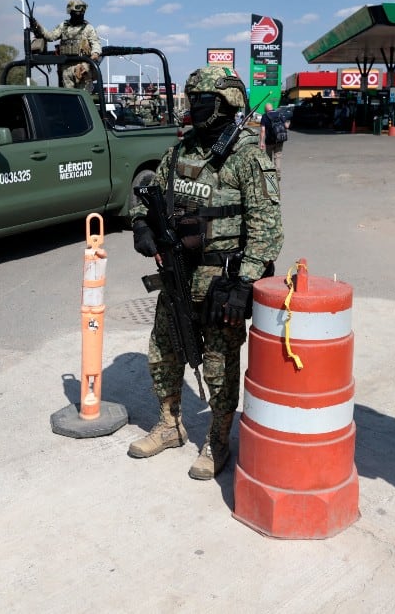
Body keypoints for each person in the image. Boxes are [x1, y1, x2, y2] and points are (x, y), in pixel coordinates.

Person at [128, 66, 283, 480]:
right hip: (179, 277)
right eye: (191, 99)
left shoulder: (247, 155)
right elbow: (147, 197)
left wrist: (244, 283)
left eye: (203, 100)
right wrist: (142, 225)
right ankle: (169, 424)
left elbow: (268, 229)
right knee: (163, 352)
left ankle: (217, 440)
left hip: (222, 283)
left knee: (218, 366)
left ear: (226, 103)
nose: (194, 108)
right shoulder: (180, 152)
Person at [31, 0, 102, 90]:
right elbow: (50, 36)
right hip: (66, 67)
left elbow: (95, 42)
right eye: (77, 12)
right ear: (71, 12)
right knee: (69, 97)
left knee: (84, 96)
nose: (80, 14)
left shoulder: (88, 28)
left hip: (82, 67)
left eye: (82, 12)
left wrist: (95, 53)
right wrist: (37, 26)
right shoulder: (63, 26)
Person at [259, 102, 288, 177]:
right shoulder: (279, 114)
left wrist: (261, 142)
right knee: (277, 157)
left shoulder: (265, 116)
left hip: (269, 141)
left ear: (265, 109)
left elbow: (262, 130)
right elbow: (286, 126)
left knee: (269, 158)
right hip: (279, 140)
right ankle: (277, 174)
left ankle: (270, 175)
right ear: (272, 108)